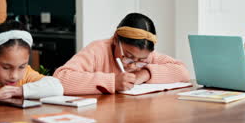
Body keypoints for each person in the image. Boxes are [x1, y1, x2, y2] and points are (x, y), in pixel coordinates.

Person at [54, 13, 191, 94]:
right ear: (115, 39)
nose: (133, 66)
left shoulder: (147, 57)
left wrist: (145, 73)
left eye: (141, 60)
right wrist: (112, 82)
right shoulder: (98, 50)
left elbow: (183, 72)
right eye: (128, 57)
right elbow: (61, 79)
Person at [0, 21, 63, 100]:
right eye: (6, 67)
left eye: (21, 67)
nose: (14, 76)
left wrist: (17, 91)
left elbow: (56, 87)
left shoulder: (26, 75)